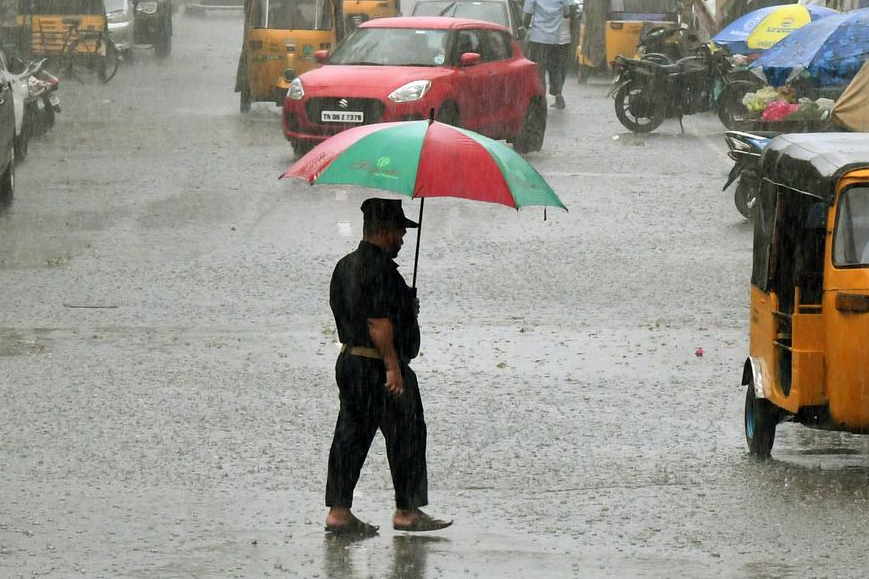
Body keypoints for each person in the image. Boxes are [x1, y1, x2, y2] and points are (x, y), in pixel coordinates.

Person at [324, 198, 452, 536]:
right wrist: (393, 369)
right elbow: (377, 324)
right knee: (407, 436)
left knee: (350, 438)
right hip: (380, 369)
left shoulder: (345, 265)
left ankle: (339, 512)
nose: (402, 238)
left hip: (351, 363)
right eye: (399, 231)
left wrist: (407, 307)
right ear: (383, 231)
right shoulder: (379, 270)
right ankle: (407, 512)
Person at [523, 0, 571, 109]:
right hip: (555, 39)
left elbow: (527, 14)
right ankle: (558, 95)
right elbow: (567, 13)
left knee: (539, 70)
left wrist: (524, 27)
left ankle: (542, 99)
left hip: (538, 37)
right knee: (555, 68)